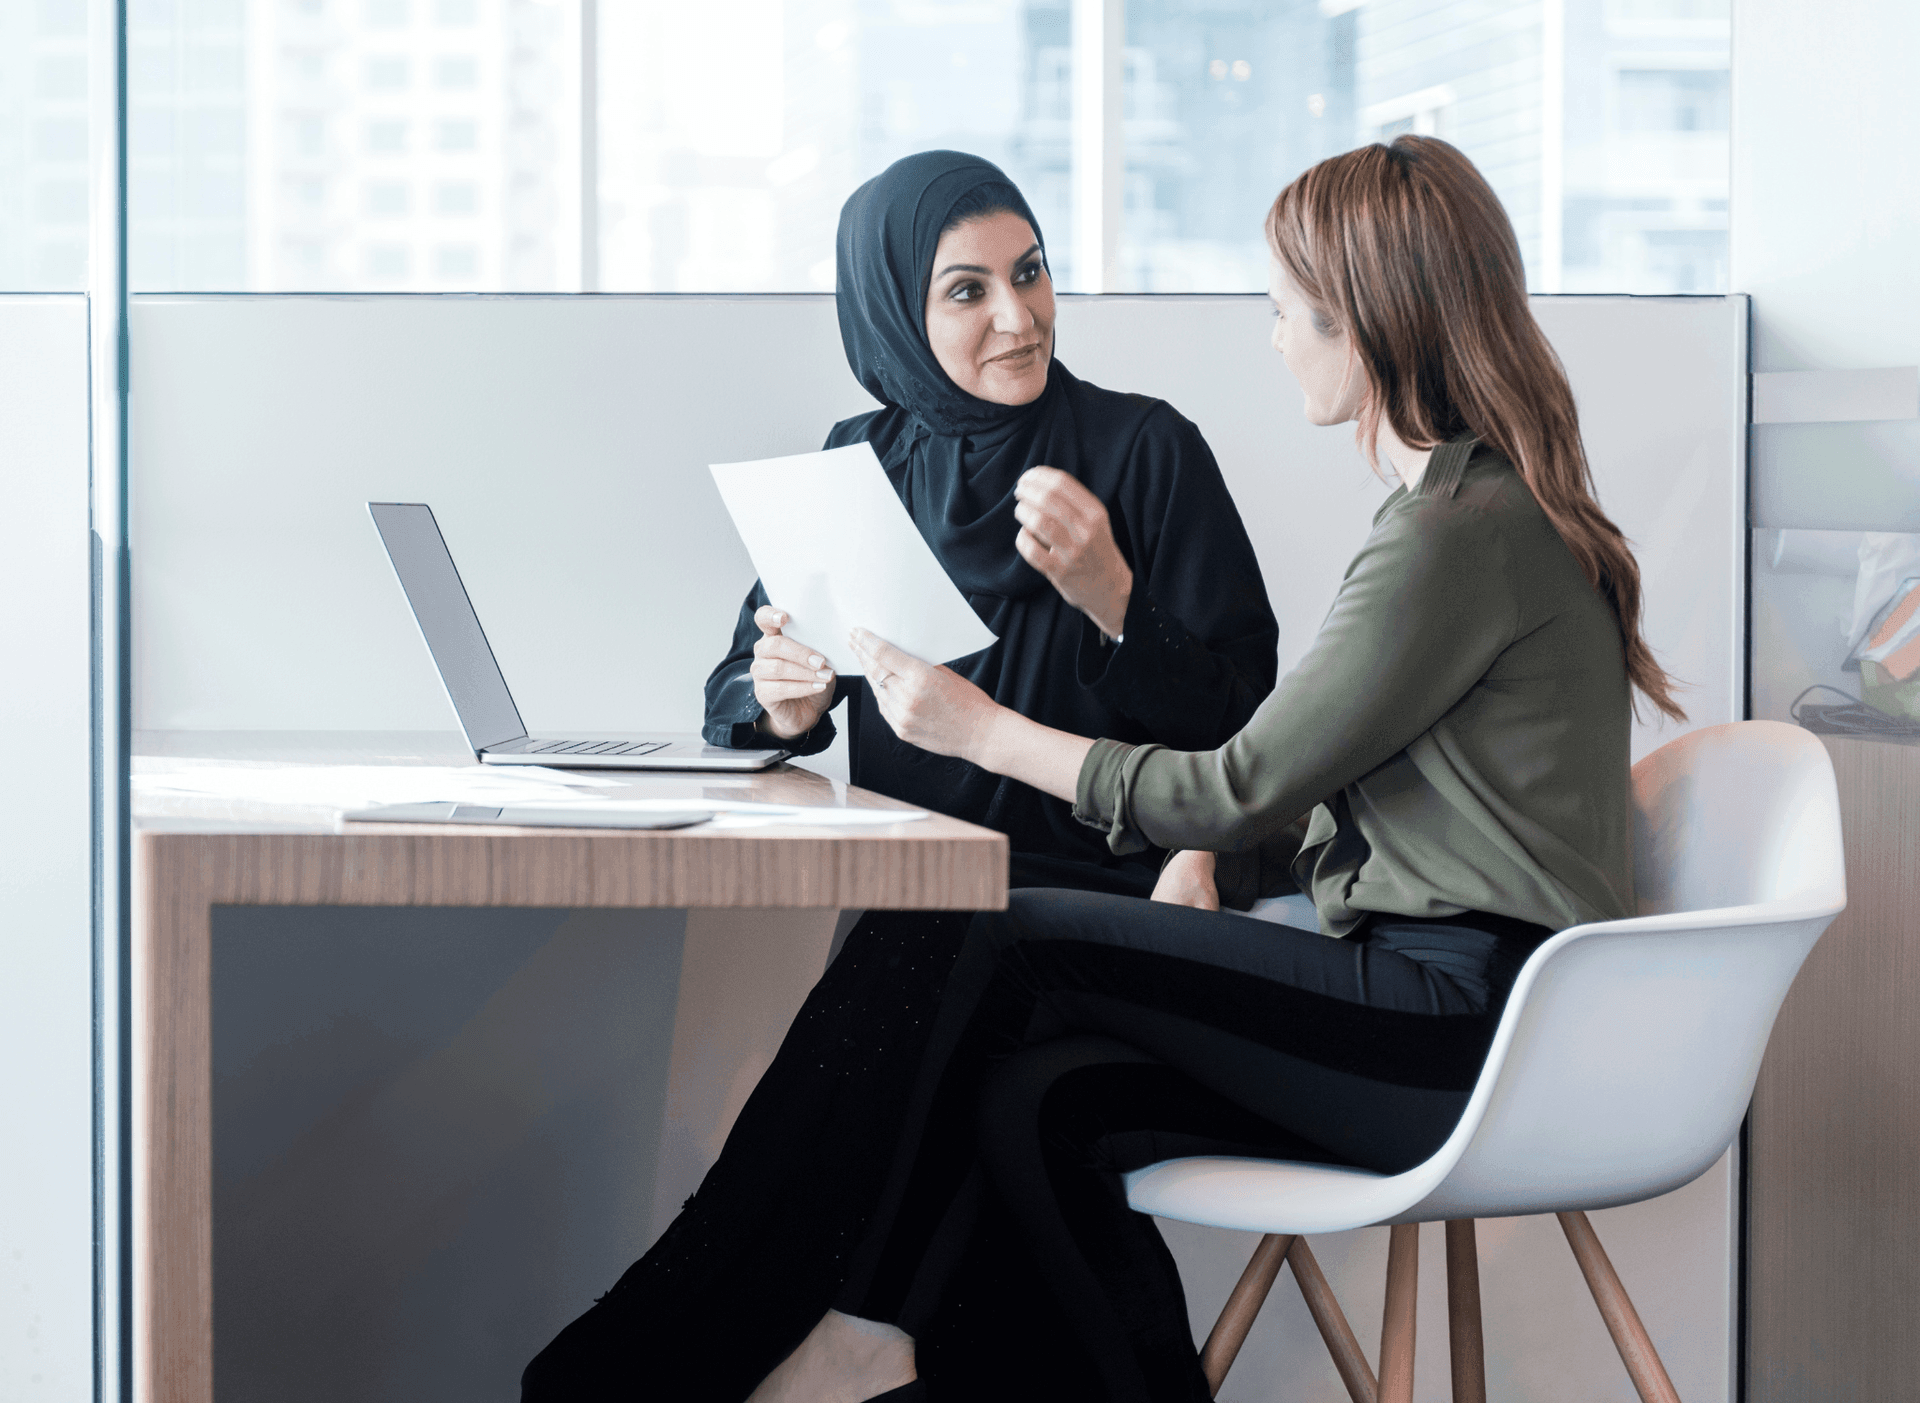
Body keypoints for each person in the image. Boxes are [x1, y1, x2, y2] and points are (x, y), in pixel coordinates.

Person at [710, 133, 1687, 1403]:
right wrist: (1218, 862)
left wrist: (993, 730)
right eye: (970, 288)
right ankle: (871, 1331)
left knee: (985, 935)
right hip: (1433, 993)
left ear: (1367, 325)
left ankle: (805, 1321)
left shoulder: (1455, 533)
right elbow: (1329, 790)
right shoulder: (1458, 519)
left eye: (1286, 309)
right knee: (1035, 1105)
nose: (1271, 335)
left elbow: (1237, 773)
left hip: (1463, 1024)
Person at [522, 151, 1278, 1402]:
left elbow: (1248, 732)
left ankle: (689, 1354)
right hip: (929, 916)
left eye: (1029, 274)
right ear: (894, 317)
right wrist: (776, 699)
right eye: (967, 291)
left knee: (940, 973)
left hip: (1112, 923)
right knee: (953, 1009)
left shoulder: (1143, 450)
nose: (1018, 316)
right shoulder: (856, 465)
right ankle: (849, 1338)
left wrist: (1115, 599)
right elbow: (738, 691)